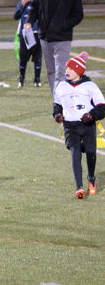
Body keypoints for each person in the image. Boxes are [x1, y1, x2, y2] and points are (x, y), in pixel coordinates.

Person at [53, 52, 105, 198]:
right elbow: (57, 105)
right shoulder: (61, 86)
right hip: (70, 126)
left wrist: (91, 115)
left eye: (71, 69)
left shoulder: (90, 86)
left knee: (90, 152)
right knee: (75, 151)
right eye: (66, 68)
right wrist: (57, 114)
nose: (67, 71)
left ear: (79, 71)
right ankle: (79, 187)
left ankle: (91, 178)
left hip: (87, 125)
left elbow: (102, 106)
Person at [27, 0, 83, 95]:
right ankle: (56, 98)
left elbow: (78, 14)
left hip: (63, 37)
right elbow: (34, 8)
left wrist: (64, 25)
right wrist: (29, 21)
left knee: (60, 71)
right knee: (51, 71)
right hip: (45, 36)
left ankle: (60, 99)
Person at [13, 0, 42, 87]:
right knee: (23, 57)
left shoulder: (41, 2)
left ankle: (37, 79)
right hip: (25, 34)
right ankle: (22, 79)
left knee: (37, 57)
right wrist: (21, 5)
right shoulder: (23, 2)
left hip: (37, 33)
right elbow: (15, 16)